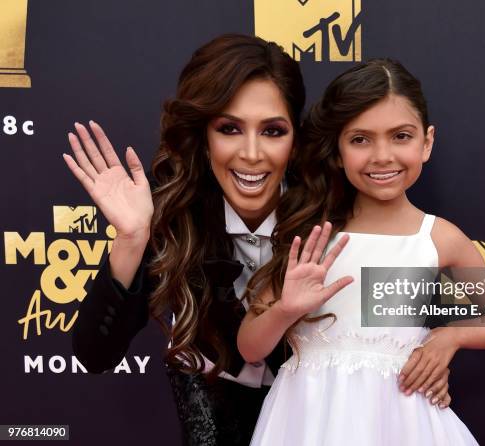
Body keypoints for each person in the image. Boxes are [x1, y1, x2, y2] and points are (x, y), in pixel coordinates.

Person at [64, 35, 451, 445]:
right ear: (205, 136)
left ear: (295, 139)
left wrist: (439, 344)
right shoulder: (173, 216)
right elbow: (95, 354)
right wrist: (131, 238)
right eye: (230, 128)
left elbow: (396, 312)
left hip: (319, 422)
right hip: (214, 421)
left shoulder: (335, 212)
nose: (252, 153)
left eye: (272, 130)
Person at [238, 59, 485, 445]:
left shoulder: (438, 237)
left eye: (401, 137)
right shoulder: (311, 234)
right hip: (307, 421)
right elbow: (250, 348)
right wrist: (285, 310)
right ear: (338, 151)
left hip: (403, 420)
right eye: (360, 139)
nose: (382, 156)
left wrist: (450, 338)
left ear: (426, 142)